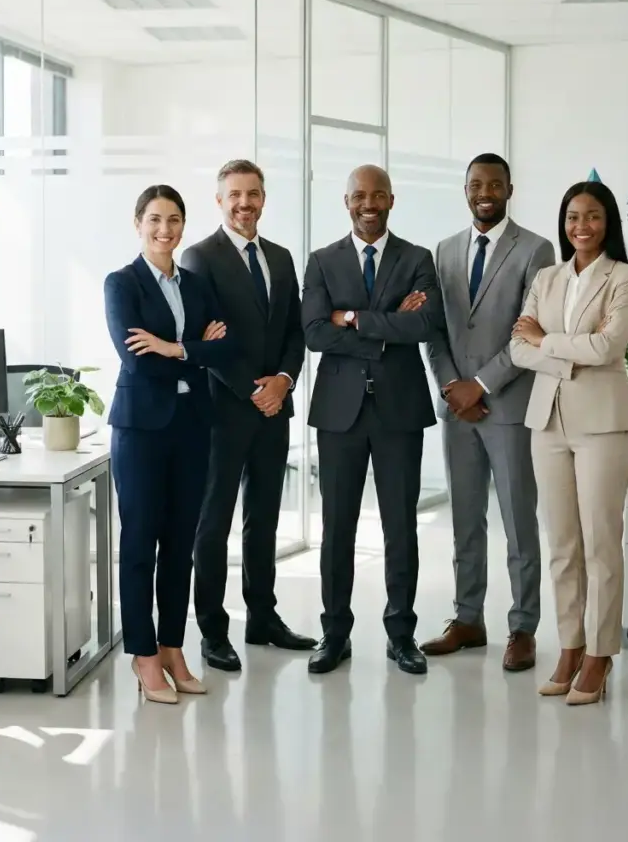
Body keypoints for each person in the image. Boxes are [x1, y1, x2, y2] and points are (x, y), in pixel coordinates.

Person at [301, 164, 443, 676]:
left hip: (399, 412)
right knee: (336, 528)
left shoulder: (417, 258)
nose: (368, 203)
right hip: (339, 414)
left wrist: (355, 317)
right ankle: (334, 633)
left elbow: (425, 324)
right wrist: (388, 326)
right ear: (346, 202)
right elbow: (315, 332)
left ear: (391, 200)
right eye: (359, 195)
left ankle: (401, 635)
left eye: (377, 195)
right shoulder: (322, 261)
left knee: (400, 527)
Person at [510, 180, 628, 706]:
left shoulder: (625, 277)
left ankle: (600, 654)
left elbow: (611, 344)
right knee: (562, 544)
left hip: (602, 426)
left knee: (600, 544)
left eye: (590, 216)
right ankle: (570, 646)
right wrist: (564, 351)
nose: (580, 227)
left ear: (607, 221)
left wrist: (546, 341)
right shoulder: (547, 277)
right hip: (547, 422)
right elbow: (518, 349)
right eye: (571, 217)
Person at [104, 184, 238, 704]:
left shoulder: (197, 285)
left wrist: (174, 345)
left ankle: (172, 647)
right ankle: (142, 655)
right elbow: (136, 357)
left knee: (181, 542)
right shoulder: (123, 284)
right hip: (140, 428)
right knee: (140, 541)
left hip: (191, 424)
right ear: (138, 223)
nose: (166, 230)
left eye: (175, 220)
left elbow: (225, 349)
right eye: (156, 220)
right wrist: (192, 349)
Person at [181, 159, 316, 673]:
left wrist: (282, 381)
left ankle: (263, 618)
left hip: (274, 410)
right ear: (219, 201)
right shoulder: (199, 258)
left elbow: (294, 332)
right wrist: (250, 389)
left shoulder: (280, 258)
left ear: (264, 198)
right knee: (212, 524)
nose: (245, 203)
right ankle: (214, 631)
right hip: (220, 411)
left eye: (253, 193)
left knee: (264, 520)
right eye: (235, 194)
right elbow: (206, 336)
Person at [422, 154, 555, 671]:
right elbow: (436, 330)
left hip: (507, 406)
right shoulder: (446, 250)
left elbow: (528, 329)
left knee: (519, 521)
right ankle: (468, 618)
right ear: (465, 189)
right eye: (476, 184)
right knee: (463, 518)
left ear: (509, 190)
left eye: (494, 184)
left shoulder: (535, 249)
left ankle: (523, 627)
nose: (485, 192)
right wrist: (452, 386)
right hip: (458, 409)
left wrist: (479, 385)